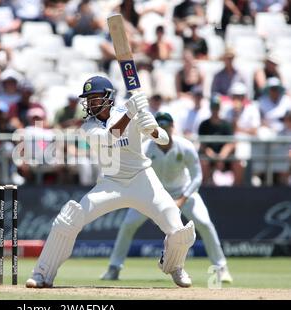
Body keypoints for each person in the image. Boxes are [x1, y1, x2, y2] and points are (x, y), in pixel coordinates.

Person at [26, 76, 196, 289]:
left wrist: (151, 128)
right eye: (88, 100)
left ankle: (175, 266)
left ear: (108, 97)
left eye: (95, 98)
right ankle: (42, 273)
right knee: (68, 219)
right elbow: (109, 138)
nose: (91, 104)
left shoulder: (130, 113)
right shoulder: (87, 127)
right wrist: (131, 113)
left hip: (142, 179)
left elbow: (163, 139)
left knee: (178, 228)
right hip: (111, 183)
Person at [100, 112, 233, 283]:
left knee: (205, 224)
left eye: (166, 126)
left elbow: (197, 177)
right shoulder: (146, 147)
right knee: (128, 225)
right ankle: (114, 268)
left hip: (183, 193)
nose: (163, 129)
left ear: (172, 127)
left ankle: (221, 268)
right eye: (160, 125)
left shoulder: (185, 146)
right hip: (153, 194)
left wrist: (182, 199)